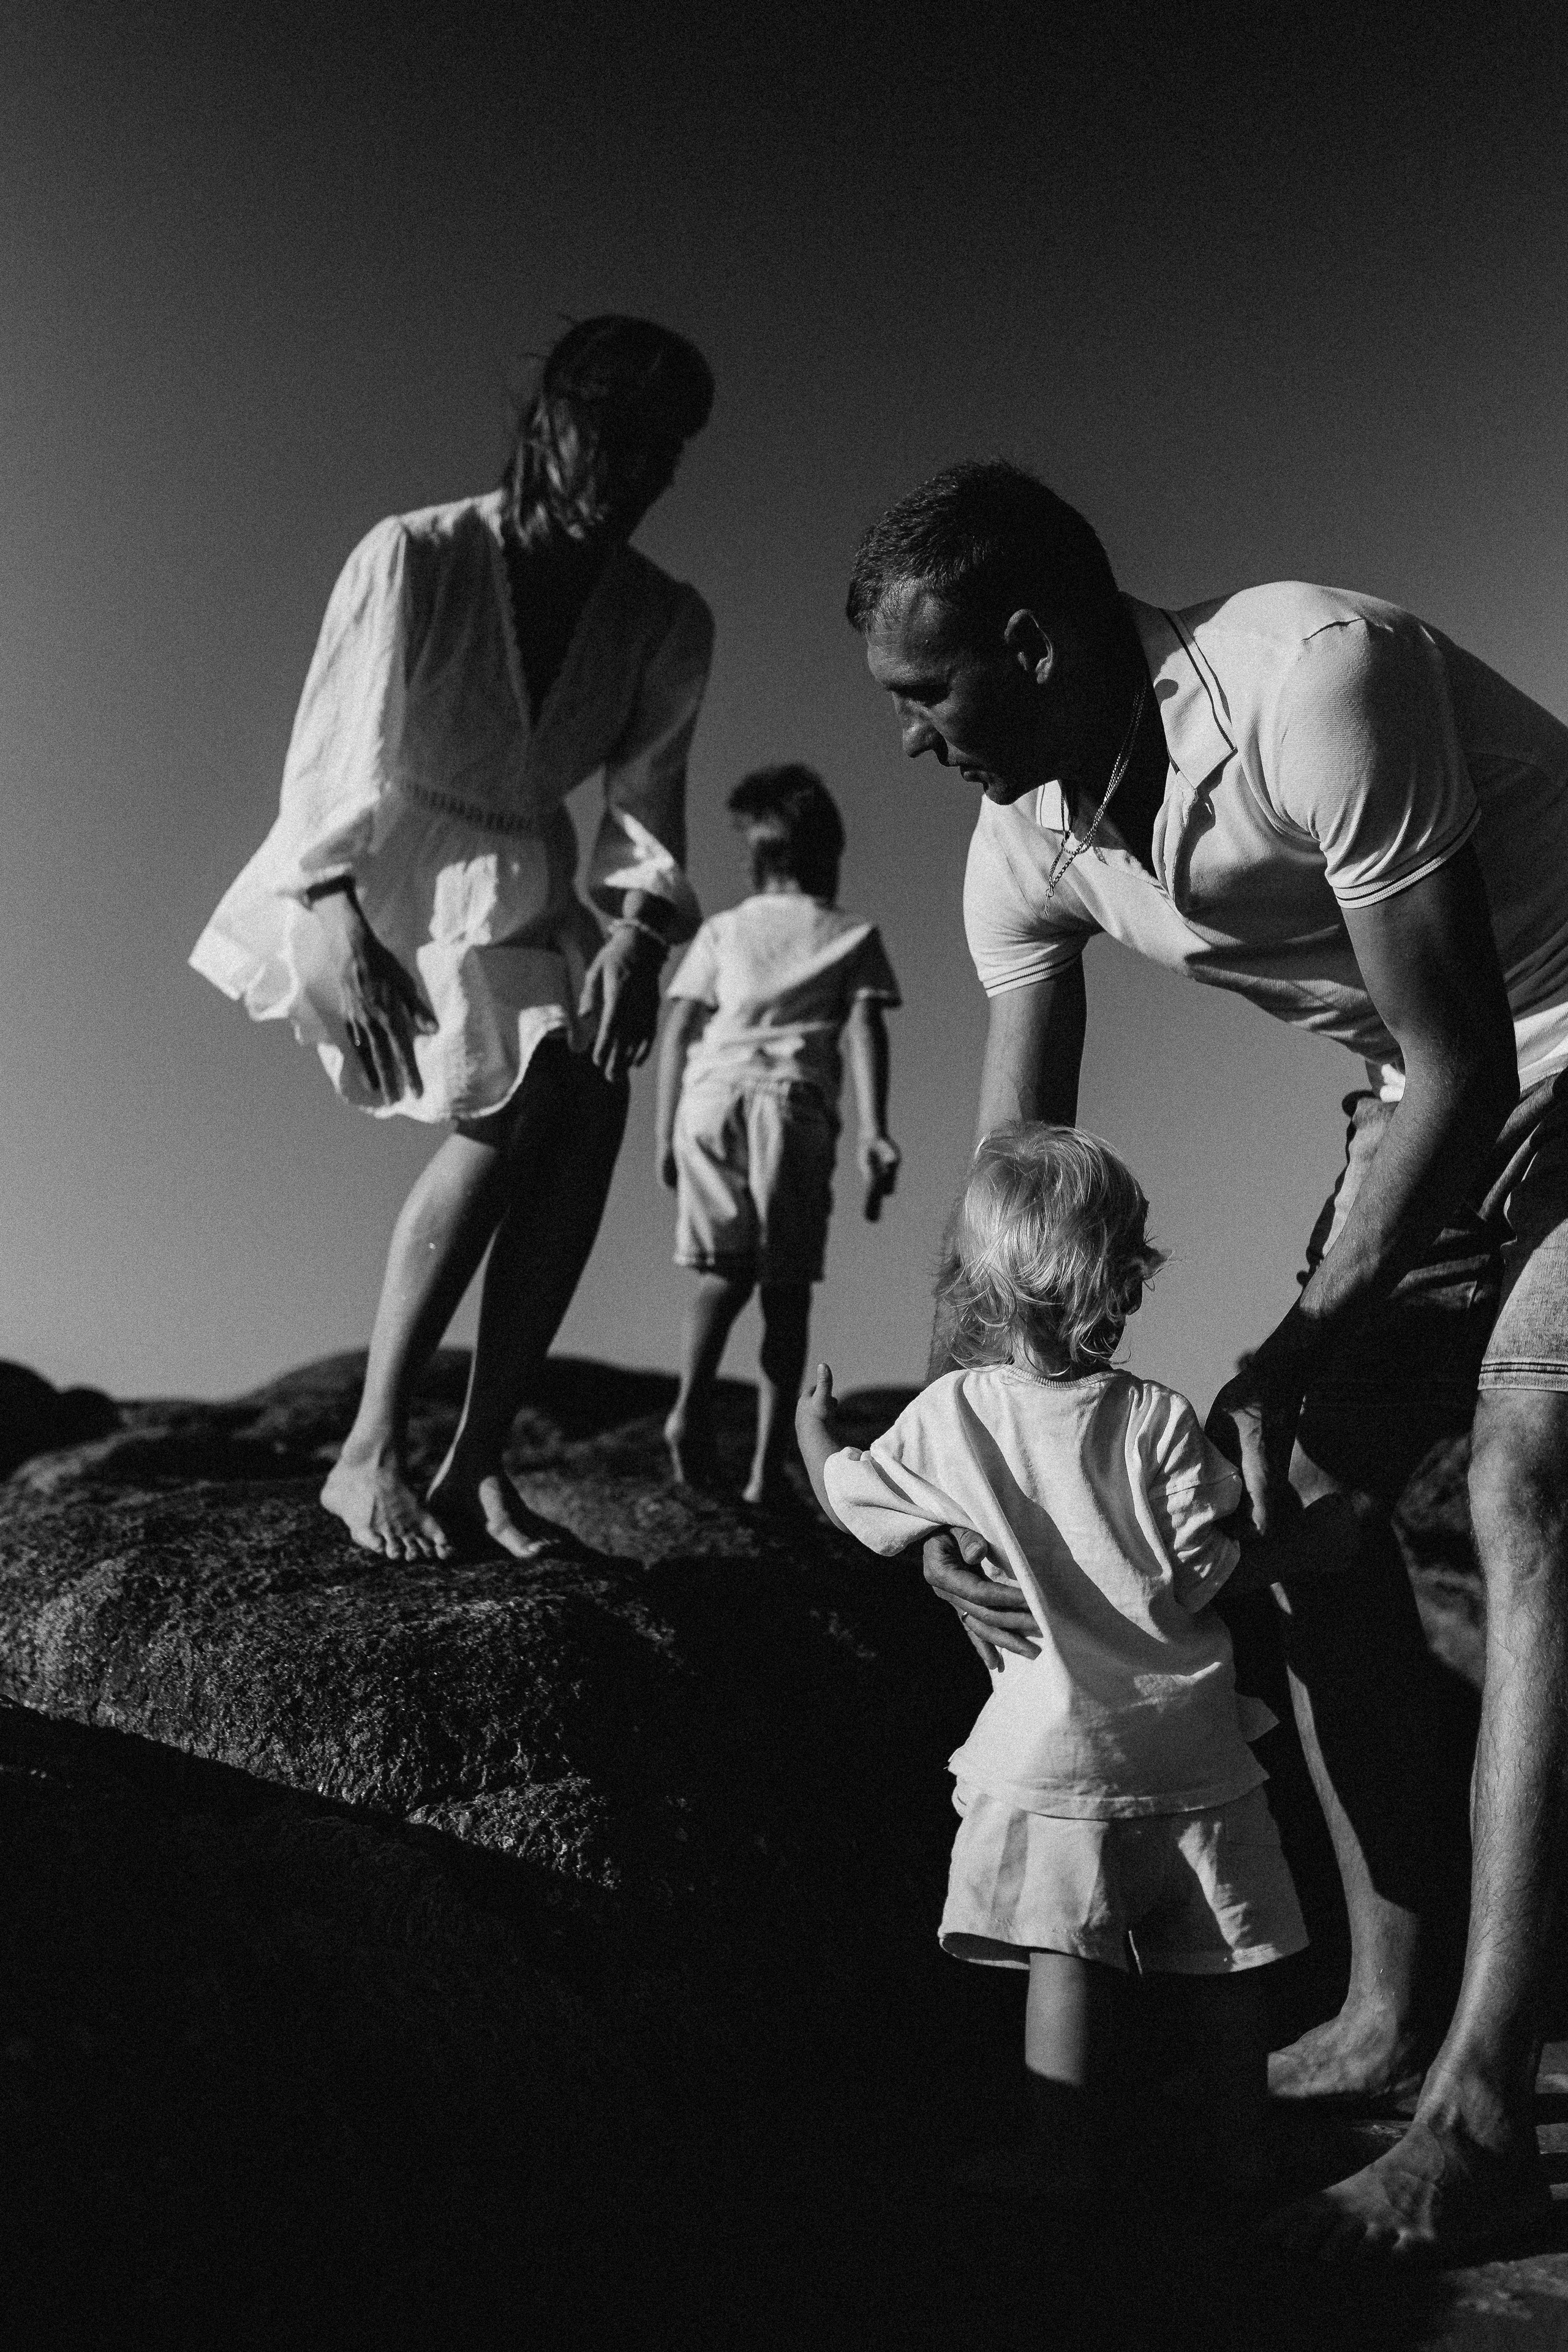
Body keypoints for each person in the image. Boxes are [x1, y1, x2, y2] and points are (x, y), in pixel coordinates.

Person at [845, 458, 1568, 2261]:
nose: (912, 739)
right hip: (1436, 1093)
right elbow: (1012, 1193)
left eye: (924, 695)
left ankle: (1481, 2105)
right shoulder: (1024, 843)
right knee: (1296, 1491)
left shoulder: (1314, 671)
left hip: (1516, 1045)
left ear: (1029, 639)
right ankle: (1389, 2012)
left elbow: (1463, 1052)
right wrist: (954, 1476)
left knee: (1525, 1469)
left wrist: (1290, 1339)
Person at [192, 316, 715, 1562]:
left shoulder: (666, 619)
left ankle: (480, 1464)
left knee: (585, 1097)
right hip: (367, 882)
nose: (634, 475)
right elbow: (330, 759)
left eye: (664, 453)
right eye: (612, 439)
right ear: (547, 425)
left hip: (523, 886)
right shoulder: (415, 557)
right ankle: (368, 1446)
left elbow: (644, 813)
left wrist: (639, 939)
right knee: (532, 1080)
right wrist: (329, 910)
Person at [796, 1123, 1313, 2205]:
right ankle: (1243, 2154)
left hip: (1051, 1749)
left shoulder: (954, 1414)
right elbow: (1207, 1567)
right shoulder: (1159, 1419)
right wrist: (1313, 1542)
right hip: (1189, 1738)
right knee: (1225, 1958)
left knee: (1061, 1954)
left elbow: (859, 1504)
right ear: (1115, 1278)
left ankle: (1060, 2157)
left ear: (988, 1283)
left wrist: (810, 1433)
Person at [655, 764, 902, 1504]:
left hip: (708, 1099)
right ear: (828, 855)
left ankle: (689, 1406)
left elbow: (676, 1030)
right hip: (789, 1108)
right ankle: (768, 1466)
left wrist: (665, 1131)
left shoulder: (722, 930)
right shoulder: (852, 932)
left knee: (719, 1270)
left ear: (754, 860)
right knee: (785, 1293)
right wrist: (874, 1132)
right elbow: (862, 1027)